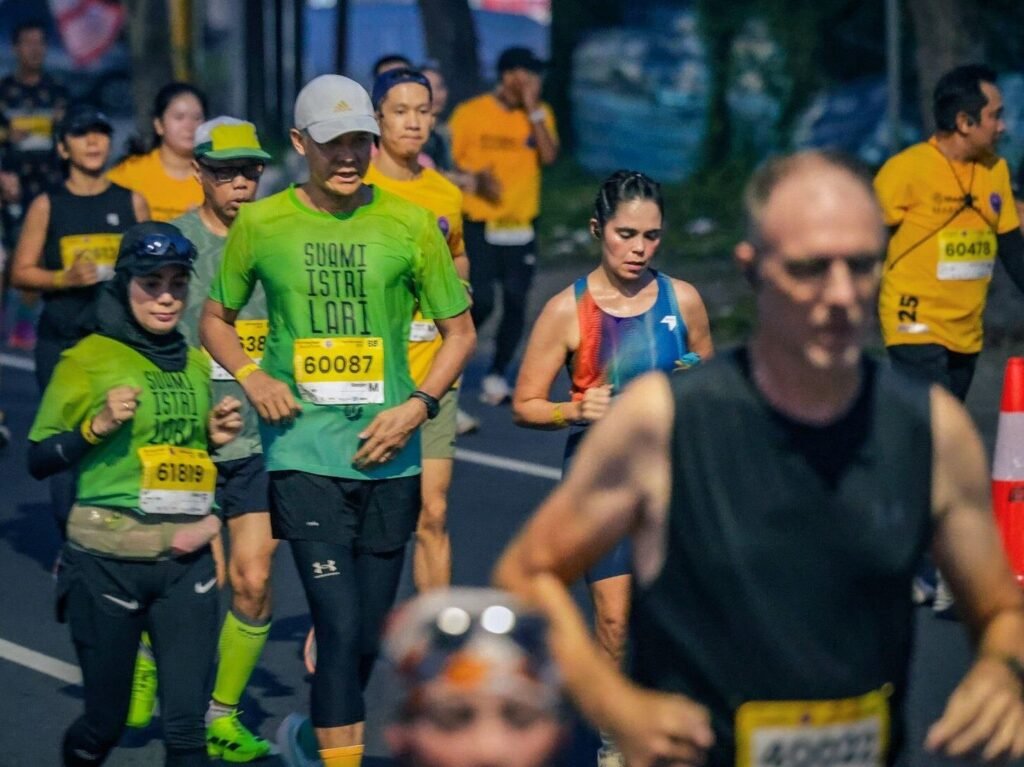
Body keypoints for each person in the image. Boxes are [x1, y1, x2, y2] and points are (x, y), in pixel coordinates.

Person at [495, 150, 1024, 767]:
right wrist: (615, 706)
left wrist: (1002, 668)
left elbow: (998, 608)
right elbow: (526, 574)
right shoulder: (661, 420)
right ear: (752, 270)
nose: (838, 294)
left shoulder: (932, 429)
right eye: (808, 268)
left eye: (859, 266)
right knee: (615, 613)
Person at [201, 74, 475, 767]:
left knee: (365, 637)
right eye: (333, 143)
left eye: (360, 141)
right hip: (302, 453)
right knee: (338, 616)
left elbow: (460, 331)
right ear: (300, 144)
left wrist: (418, 405)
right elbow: (215, 320)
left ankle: (308, 741)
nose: (349, 156)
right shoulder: (262, 225)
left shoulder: (410, 223)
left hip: (391, 454)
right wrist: (254, 374)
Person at [512, 169, 712, 767]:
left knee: (683, 617)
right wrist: (574, 408)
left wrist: (695, 380)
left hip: (675, 480)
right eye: (626, 234)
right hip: (601, 481)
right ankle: (613, 737)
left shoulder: (685, 299)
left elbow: (713, 377)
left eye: (651, 237)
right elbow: (524, 404)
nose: (639, 249)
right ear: (598, 229)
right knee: (615, 618)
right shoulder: (565, 310)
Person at [27, 221, 243, 766]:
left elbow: (188, 458)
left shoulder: (195, 361)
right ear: (125, 284)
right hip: (106, 563)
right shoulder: (88, 358)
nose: (167, 296)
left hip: (185, 563)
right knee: (105, 723)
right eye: (152, 283)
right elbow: (37, 459)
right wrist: (94, 428)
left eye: (177, 282)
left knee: (187, 730)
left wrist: (212, 440)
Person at [875, 63, 1024, 615]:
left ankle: (906, 559)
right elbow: (867, 242)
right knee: (943, 446)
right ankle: (938, 574)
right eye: (995, 116)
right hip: (912, 326)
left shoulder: (994, 172)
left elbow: (1013, 252)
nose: (1003, 126)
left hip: (965, 332)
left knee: (921, 452)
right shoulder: (906, 172)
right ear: (963, 121)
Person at [170, 116, 274, 761]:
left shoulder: (278, 237)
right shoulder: (173, 245)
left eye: (250, 171)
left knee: (255, 580)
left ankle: (222, 715)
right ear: (199, 172)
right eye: (227, 171)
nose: (241, 183)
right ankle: (154, 657)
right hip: (184, 442)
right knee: (191, 591)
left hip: (262, 440)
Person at [10, 103, 147, 540]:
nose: (94, 142)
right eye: (82, 134)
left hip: (119, 342)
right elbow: (19, 272)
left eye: (101, 133)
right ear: (63, 146)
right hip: (64, 344)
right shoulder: (48, 204)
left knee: (125, 436)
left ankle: (123, 537)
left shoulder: (130, 201)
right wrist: (62, 277)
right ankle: (73, 544)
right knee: (69, 441)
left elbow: (153, 268)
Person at [365, 67, 471, 592]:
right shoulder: (355, 188)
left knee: (432, 512)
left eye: (422, 111)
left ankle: (440, 635)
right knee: (364, 517)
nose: (413, 122)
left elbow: (458, 257)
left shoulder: (445, 194)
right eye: (400, 111)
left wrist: (459, 290)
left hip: (434, 374)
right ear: (377, 117)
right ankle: (339, 618)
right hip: (366, 378)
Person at [449, 46, 559, 406]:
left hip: (521, 224)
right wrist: (475, 180)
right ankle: (454, 353)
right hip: (479, 222)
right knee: (481, 299)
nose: (532, 82)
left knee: (516, 301)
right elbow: (447, 164)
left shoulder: (539, 115)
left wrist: (534, 110)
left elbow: (550, 155)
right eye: (526, 74)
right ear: (508, 75)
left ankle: (496, 374)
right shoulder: (471, 114)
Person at [0, 19, 70, 350]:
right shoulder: (4, 93)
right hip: (8, 189)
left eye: (40, 42)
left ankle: (25, 324)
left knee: (37, 255)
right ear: (15, 48)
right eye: (28, 43)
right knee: (5, 258)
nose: (35, 49)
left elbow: (74, 140)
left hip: (48, 186)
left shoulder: (58, 92)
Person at [108, 82, 206, 222]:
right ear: (159, 125)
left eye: (197, 118)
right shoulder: (127, 174)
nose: (190, 126)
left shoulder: (218, 177)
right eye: (179, 117)